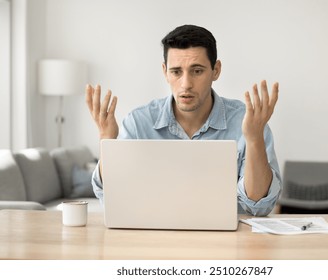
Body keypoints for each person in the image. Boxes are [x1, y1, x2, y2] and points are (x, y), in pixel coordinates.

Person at [86, 24, 281, 216]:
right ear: (165, 71)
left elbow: (258, 206)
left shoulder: (248, 122)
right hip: (153, 239)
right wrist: (106, 140)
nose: (186, 84)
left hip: (228, 242)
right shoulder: (138, 123)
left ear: (216, 70)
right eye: (176, 72)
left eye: (197, 71)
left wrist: (254, 138)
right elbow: (113, 198)